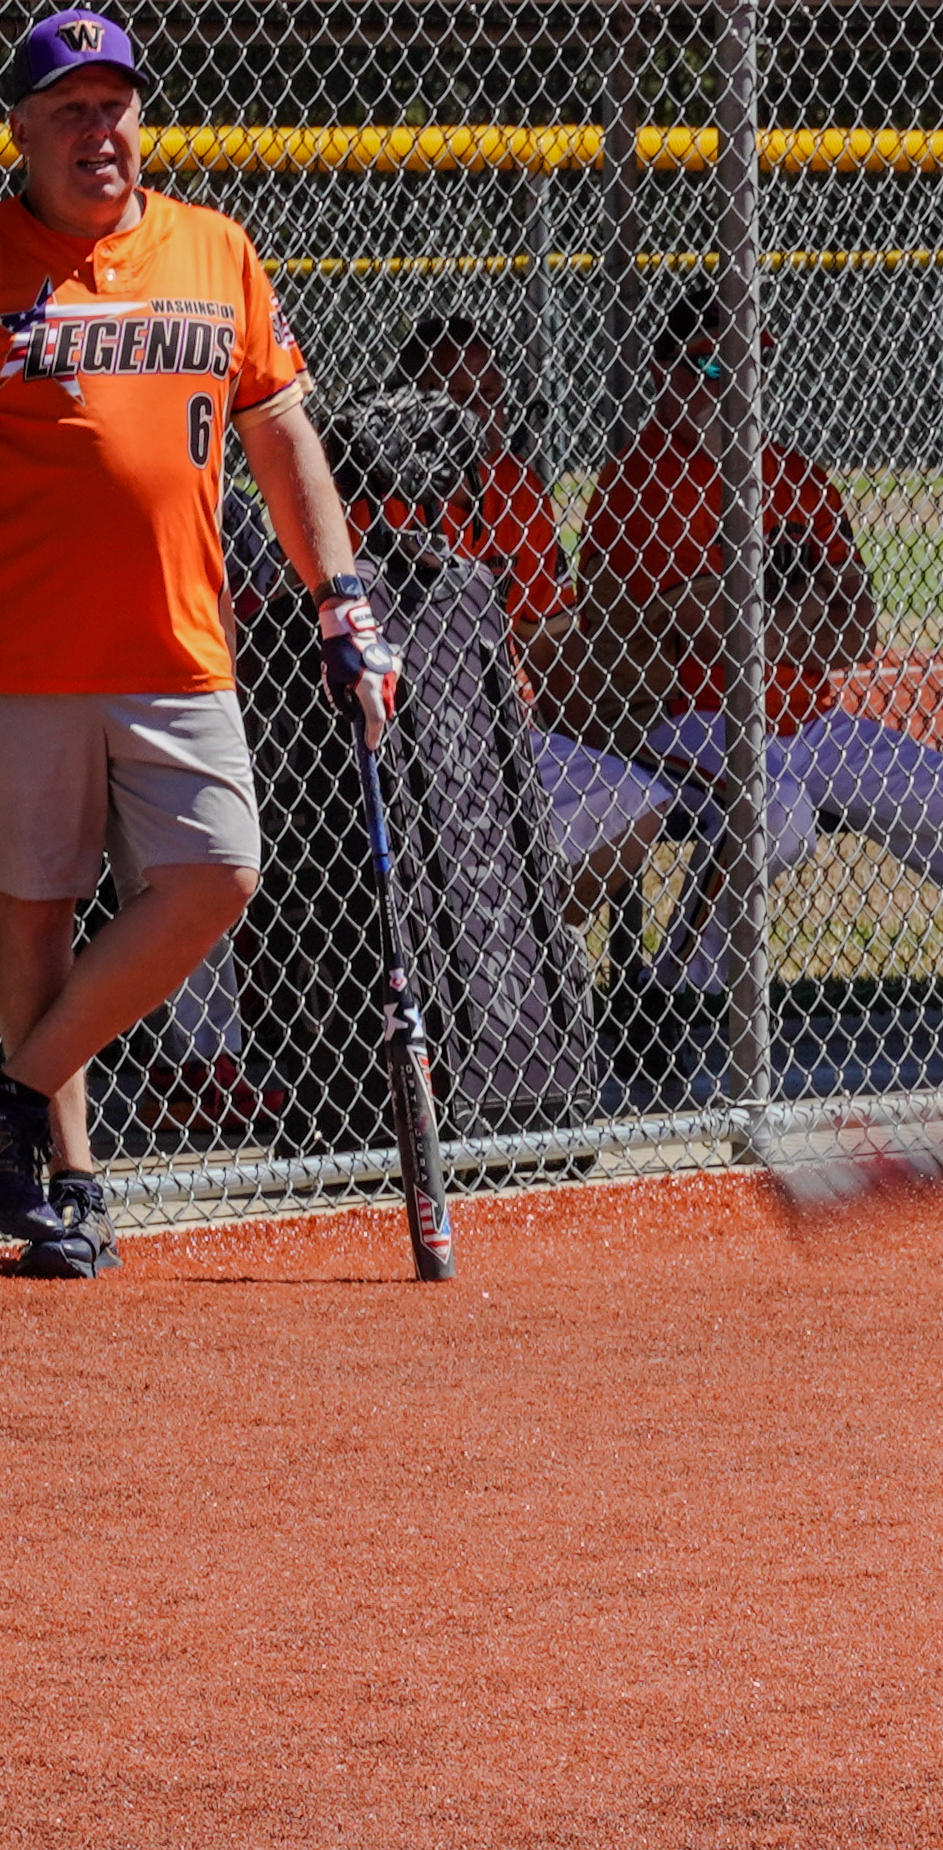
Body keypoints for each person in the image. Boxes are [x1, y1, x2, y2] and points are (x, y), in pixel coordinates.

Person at [0, 9, 398, 1277]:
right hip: (22, 656)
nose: (97, 131)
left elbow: (281, 438)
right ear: (18, 129)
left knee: (220, 873)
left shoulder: (213, 249)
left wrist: (342, 596)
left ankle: (8, 1095)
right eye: (68, 109)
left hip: (181, 647)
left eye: (114, 106)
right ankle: (67, 1187)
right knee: (34, 922)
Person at [574, 286, 943, 1038]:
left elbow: (852, 635)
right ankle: (677, 995)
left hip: (806, 718)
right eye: (705, 368)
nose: (727, 385)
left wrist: (765, 603)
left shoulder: (794, 475)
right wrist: (784, 600)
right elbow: (693, 632)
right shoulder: (635, 483)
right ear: (661, 373)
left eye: (744, 366)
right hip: (684, 723)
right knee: (775, 814)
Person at [391, 316, 671, 929]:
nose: (481, 414)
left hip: (507, 728)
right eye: (459, 399)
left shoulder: (515, 486)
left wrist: (610, 717)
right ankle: (474, 958)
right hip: (405, 735)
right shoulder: (371, 489)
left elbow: (550, 638)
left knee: (639, 800)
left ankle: (521, 950)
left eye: (491, 396)